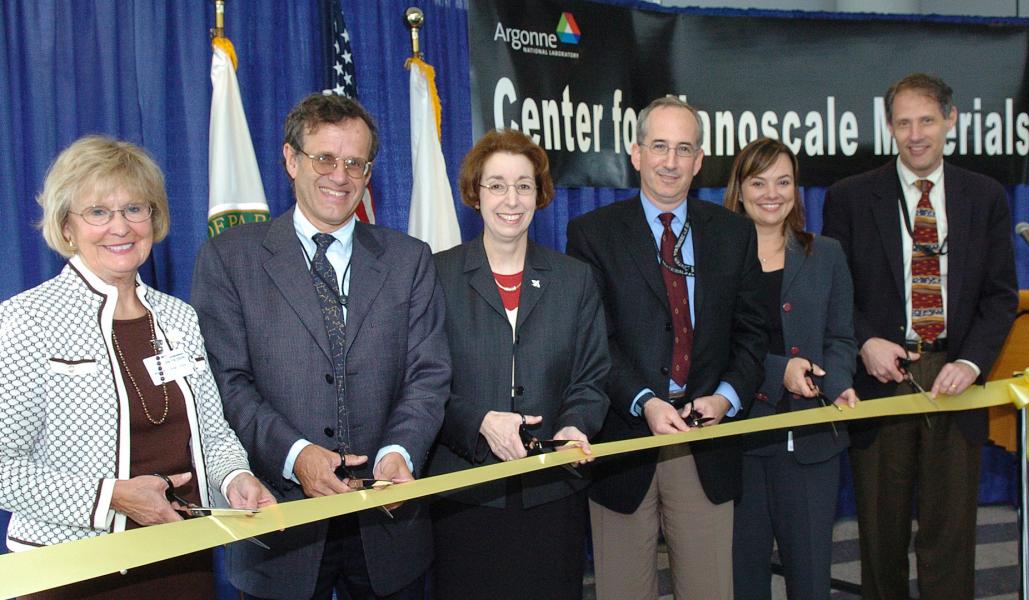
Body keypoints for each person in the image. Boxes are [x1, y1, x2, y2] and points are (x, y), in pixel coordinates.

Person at [190, 93, 451, 600]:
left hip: (387, 526)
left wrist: (400, 452)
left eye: (355, 162)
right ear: (291, 160)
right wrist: (295, 455)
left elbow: (429, 374)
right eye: (324, 158)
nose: (341, 175)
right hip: (279, 526)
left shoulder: (410, 259)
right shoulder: (229, 259)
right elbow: (226, 383)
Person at [0, 135, 275, 599]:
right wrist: (112, 498)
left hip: (181, 560)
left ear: (154, 218)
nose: (120, 227)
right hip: (72, 572)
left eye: (134, 209)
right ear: (67, 226)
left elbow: (212, 431)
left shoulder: (178, 318)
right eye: (98, 212)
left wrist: (236, 479)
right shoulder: (27, 319)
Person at [822, 73, 1018, 600]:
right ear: (889, 127)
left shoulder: (986, 197)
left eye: (926, 120)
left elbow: (1001, 297)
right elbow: (835, 292)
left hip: (957, 377)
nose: (915, 134)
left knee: (949, 534)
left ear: (950, 120)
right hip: (883, 377)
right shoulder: (850, 197)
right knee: (880, 535)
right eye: (903, 122)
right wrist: (865, 341)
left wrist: (974, 363)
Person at [566, 96, 767, 600]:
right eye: (659, 146)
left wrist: (727, 396)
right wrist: (644, 400)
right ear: (635, 153)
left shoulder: (735, 234)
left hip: (706, 440)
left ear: (700, 160)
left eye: (684, 149)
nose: (670, 162)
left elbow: (753, 333)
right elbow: (594, 340)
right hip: (625, 439)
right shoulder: (592, 234)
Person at [427, 129, 610, 599]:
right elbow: (421, 382)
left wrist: (576, 425)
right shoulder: (436, 275)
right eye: (497, 185)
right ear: (475, 193)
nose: (512, 199)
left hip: (552, 490)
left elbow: (591, 377)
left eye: (524, 185)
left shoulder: (574, 279)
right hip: (465, 490)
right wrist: (480, 422)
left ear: (540, 194)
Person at [723, 137, 858, 600]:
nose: (772, 193)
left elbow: (841, 336)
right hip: (740, 440)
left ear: (797, 190)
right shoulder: (714, 258)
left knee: (811, 578)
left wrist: (837, 384)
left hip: (814, 444)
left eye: (783, 181)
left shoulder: (827, 254)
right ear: (739, 190)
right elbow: (713, 348)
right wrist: (778, 370)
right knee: (745, 579)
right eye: (758, 182)